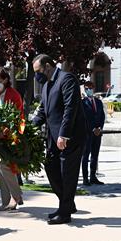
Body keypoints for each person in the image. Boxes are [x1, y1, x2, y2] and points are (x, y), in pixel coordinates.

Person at [32, 54, 86, 225]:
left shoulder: (67, 79)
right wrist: (27, 128)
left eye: (38, 71)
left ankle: (65, 212)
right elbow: (43, 111)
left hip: (69, 137)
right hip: (52, 138)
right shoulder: (47, 85)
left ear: (48, 66)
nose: (37, 75)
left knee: (67, 174)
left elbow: (71, 107)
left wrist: (64, 134)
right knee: (51, 168)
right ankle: (67, 203)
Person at [0, 67, 24, 211]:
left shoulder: (14, 95)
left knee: (5, 167)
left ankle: (16, 197)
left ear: (6, 80)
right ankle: (5, 202)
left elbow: (19, 116)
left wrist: (8, 132)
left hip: (11, 137)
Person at [81, 81, 105, 186]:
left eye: (90, 88)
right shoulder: (82, 103)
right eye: (86, 88)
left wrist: (99, 128)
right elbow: (83, 119)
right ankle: (85, 178)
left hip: (97, 133)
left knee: (95, 155)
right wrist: (92, 129)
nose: (89, 90)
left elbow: (102, 116)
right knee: (85, 156)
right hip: (87, 133)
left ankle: (93, 176)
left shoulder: (98, 102)